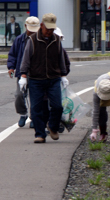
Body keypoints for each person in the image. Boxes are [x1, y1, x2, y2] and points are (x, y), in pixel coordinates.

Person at [19, 13, 68, 143]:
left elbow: (61, 59)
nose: (49, 32)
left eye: (52, 29)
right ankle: (40, 134)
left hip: (53, 78)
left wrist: (63, 75)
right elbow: (26, 59)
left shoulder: (57, 40)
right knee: (36, 108)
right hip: (36, 79)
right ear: (41, 26)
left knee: (57, 106)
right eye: (47, 29)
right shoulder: (33, 40)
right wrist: (23, 76)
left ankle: (52, 126)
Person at [7, 16, 40, 128]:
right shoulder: (19, 39)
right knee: (19, 95)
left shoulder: (40, 40)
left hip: (37, 74)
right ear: (25, 26)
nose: (32, 32)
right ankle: (23, 114)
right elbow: (12, 55)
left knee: (35, 97)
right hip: (22, 73)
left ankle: (34, 117)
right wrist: (11, 68)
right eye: (30, 29)